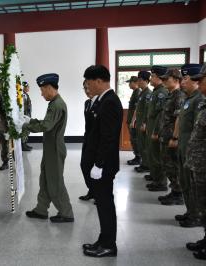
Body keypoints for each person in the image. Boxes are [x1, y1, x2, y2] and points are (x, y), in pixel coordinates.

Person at [81, 65, 122, 258]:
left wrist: (99, 164)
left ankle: (109, 245)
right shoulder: (102, 101)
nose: (88, 87)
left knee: (106, 204)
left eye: (89, 83)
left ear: (99, 81)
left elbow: (108, 138)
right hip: (100, 163)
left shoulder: (110, 102)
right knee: (103, 204)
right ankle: (103, 240)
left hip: (104, 165)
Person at [24, 73, 74, 223]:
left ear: (49, 87)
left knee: (55, 181)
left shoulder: (57, 105)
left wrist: (26, 125)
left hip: (54, 149)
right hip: (50, 147)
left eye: (42, 90)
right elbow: (47, 122)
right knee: (45, 179)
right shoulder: (54, 103)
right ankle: (41, 209)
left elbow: (46, 125)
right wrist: (31, 120)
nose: (41, 94)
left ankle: (66, 213)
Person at [173, 64, 204, 228]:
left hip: (193, 152)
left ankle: (196, 215)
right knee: (184, 182)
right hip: (184, 148)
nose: (182, 82)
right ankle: (190, 211)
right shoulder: (188, 98)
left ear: (196, 81)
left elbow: (197, 129)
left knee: (193, 185)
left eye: (186, 79)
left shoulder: (199, 99)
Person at [185, 64, 206, 260]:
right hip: (198, 163)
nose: (199, 83)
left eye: (202, 80)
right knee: (202, 202)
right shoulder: (204, 103)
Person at [156, 69, 185, 205]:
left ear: (176, 79)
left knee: (174, 166)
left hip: (171, 138)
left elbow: (179, 118)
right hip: (165, 136)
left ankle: (178, 194)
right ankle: (174, 191)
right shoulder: (170, 95)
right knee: (168, 166)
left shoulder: (179, 95)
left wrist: (175, 137)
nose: (164, 81)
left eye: (167, 79)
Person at [144, 66, 169, 192]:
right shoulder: (155, 91)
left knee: (157, 156)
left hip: (156, 128)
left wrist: (156, 131)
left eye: (153, 76)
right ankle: (156, 178)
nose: (151, 78)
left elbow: (161, 114)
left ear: (159, 78)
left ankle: (161, 182)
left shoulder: (162, 93)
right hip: (151, 125)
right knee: (151, 153)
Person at [79, 80, 97, 201]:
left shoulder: (102, 103)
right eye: (84, 88)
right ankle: (92, 190)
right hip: (88, 139)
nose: (87, 90)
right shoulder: (87, 103)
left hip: (98, 142)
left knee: (98, 169)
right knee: (85, 165)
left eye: (89, 87)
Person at [133, 71, 152, 176]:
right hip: (139, 122)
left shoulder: (148, 93)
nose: (138, 82)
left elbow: (148, 110)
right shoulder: (142, 93)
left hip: (144, 124)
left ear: (146, 81)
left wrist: (144, 123)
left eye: (140, 80)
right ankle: (144, 163)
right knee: (141, 144)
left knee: (145, 145)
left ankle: (146, 165)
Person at [126, 76, 142, 165]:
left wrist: (133, 121)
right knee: (133, 139)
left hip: (134, 122)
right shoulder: (135, 92)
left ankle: (138, 157)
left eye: (130, 82)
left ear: (135, 82)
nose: (129, 84)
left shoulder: (138, 93)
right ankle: (137, 156)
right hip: (132, 121)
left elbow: (137, 109)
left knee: (135, 139)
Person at [22, 81, 33, 151]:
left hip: (27, 115)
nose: (28, 88)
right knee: (24, 130)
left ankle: (25, 143)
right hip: (24, 115)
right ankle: (23, 145)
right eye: (27, 87)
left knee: (27, 130)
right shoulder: (22, 95)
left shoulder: (26, 95)